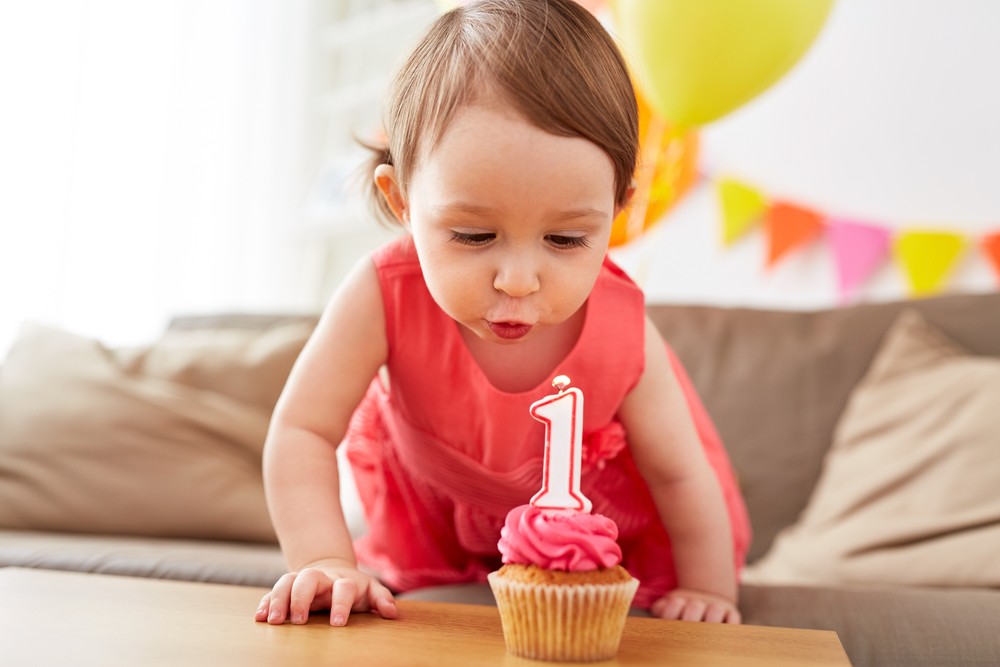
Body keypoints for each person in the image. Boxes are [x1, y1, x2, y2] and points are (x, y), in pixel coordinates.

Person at [254, 0, 750, 628]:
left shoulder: (623, 330)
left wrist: (712, 592)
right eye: (472, 234)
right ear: (403, 201)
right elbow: (303, 430)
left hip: (592, 539)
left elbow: (681, 477)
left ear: (617, 212)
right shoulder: (382, 292)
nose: (517, 280)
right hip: (443, 525)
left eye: (567, 241)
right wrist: (324, 559)